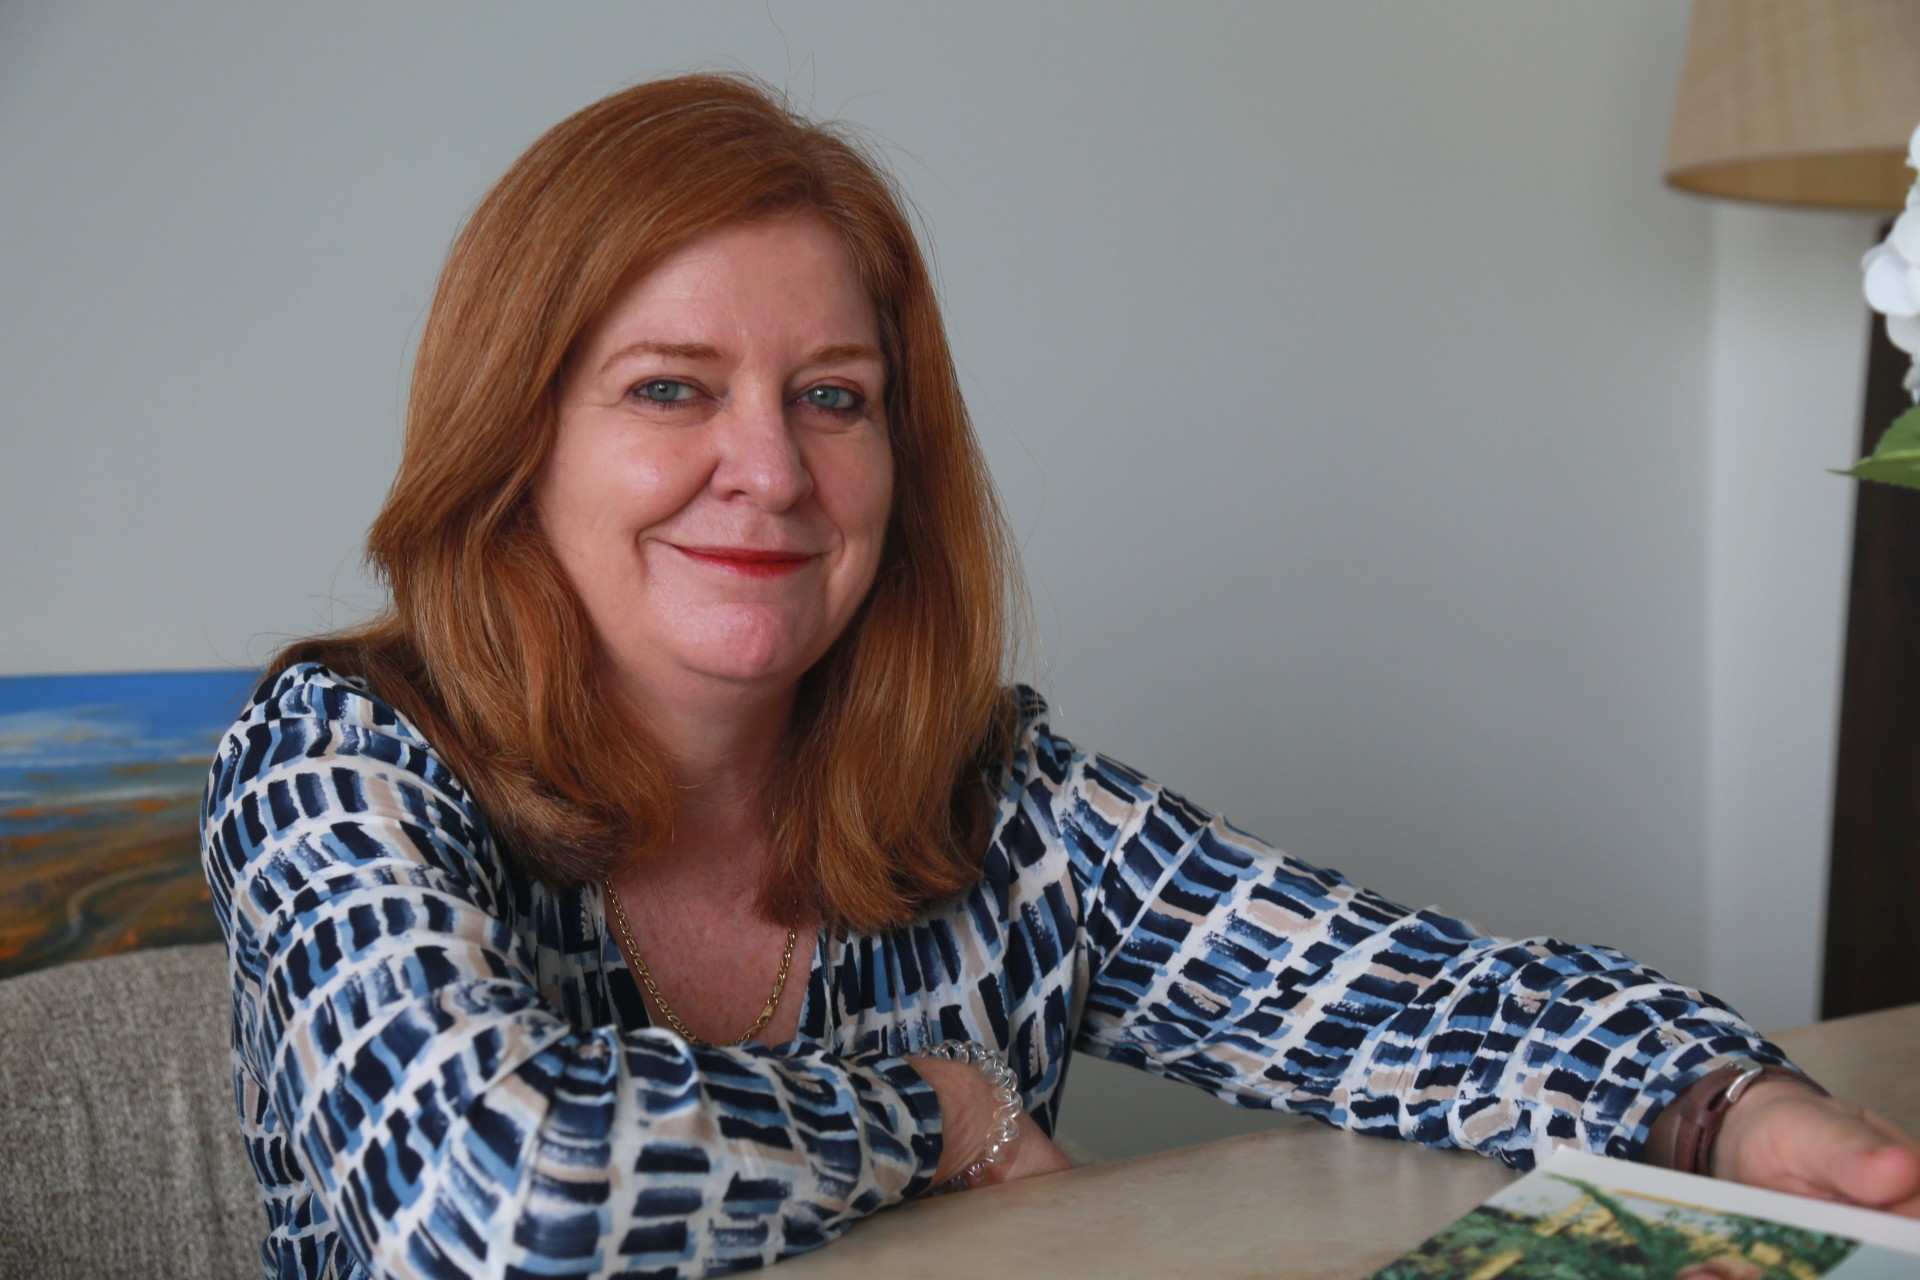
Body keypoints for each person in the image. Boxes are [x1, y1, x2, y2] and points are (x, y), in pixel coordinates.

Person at [199, 72, 1920, 1279]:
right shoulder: (335, 762)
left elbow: (1405, 1000)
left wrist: (1733, 1111)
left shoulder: (990, 800)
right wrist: (931, 1113)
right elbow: (497, 1206)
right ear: (516, 440)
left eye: (834, 396)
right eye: (669, 389)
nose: (774, 472)